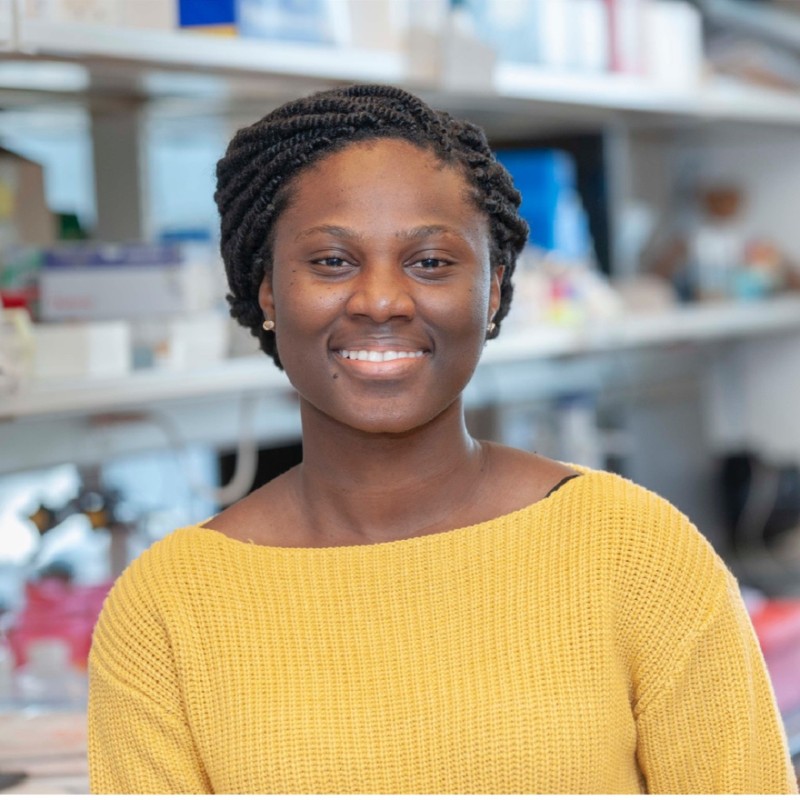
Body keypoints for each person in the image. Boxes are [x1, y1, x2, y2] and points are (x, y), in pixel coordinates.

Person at [87, 84, 798, 794]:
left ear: (493, 291)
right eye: (331, 261)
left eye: (430, 262)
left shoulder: (635, 550)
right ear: (269, 290)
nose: (381, 300)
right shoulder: (166, 609)